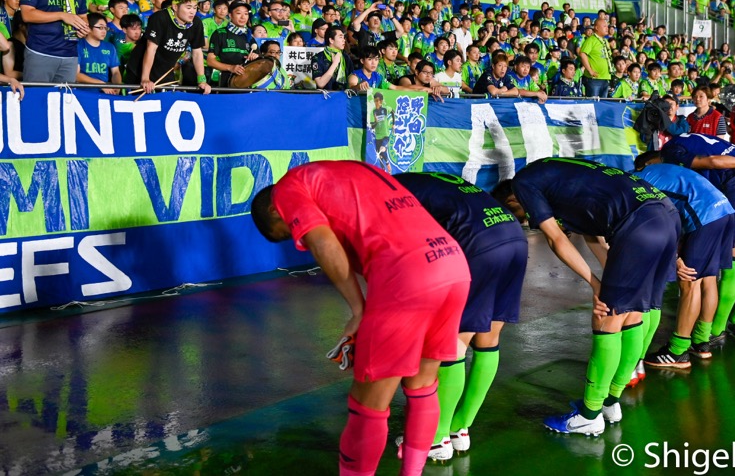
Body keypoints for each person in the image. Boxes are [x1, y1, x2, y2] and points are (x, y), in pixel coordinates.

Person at [251, 161, 470, 476]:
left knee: (367, 406)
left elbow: (322, 242)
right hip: (452, 264)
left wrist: (359, 309)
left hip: (408, 275)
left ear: (274, 211)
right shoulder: (350, 171)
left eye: (289, 232)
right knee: (423, 386)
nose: (296, 238)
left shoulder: (287, 188)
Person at [492, 158, 680, 434]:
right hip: (666, 216)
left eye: (521, 213)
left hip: (639, 225)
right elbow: (592, 232)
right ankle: (610, 403)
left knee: (606, 318)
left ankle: (589, 416)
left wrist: (595, 285)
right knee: (632, 314)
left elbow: (557, 239)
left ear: (512, 198)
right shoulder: (563, 176)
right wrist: (609, 277)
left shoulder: (525, 183)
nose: (528, 219)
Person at [394, 172, 527, 461]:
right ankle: (460, 428)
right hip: (513, 236)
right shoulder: (427, 179)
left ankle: (436, 437)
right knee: (489, 338)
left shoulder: (388, 191)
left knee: (453, 339)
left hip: (479, 244)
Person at [656, 133, 735, 345]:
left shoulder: (671, 150)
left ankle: (717, 328)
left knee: (732, 258)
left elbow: (711, 162)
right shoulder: (698, 138)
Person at [634, 156, 735, 368]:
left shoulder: (639, 181)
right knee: (708, 278)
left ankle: (677, 351)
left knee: (688, 282)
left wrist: (675, 258)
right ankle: (701, 342)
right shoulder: (666, 170)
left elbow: (661, 222)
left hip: (705, 215)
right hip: (725, 210)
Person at [124, 0, 211, 94]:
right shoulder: (159, 18)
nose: (192, 12)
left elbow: (197, 52)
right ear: (175, 7)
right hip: (140, 70)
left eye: (194, 8)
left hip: (165, 72)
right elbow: (151, 49)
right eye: (188, 7)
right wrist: (145, 78)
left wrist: (202, 81)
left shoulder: (196, 23)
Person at [206, 0, 256, 87]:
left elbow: (258, 59)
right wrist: (231, 68)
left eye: (246, 14)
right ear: (230, 15)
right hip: (224, 83)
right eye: (239, 13)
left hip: (246, 83)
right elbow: (210, 61)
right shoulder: (219, 33)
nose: (243, 17)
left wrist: (255, 57)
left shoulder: (249, 35)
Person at [76, 13, 122, 94]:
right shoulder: (78, 46)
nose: (104, 31)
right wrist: (100, 84)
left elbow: (115, 72)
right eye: (100, 28)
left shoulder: (110, 47)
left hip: (105, 93)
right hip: (83, 93)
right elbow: (76, 75)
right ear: (89, 28)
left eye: (105, 28)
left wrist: (117, 87)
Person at [578, 16, 613, 97]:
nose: (607, 28)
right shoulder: (591, 40)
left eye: (607, 26)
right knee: (593, 103)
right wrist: (590, 70)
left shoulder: (605, 41)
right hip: (594, 79)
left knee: (603, 104)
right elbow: (582, 54)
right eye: (604, 26)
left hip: (605, 77)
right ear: (596, 27)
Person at [310, 26, 355, 90]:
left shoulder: (346, 57)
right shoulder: (318, 58)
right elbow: (320, 84)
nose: (344, 40)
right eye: (340, 37)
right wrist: (335, 63)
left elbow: (351, 79)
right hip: (325, 97)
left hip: (343, 97)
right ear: (331, 40)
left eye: (344, 37)